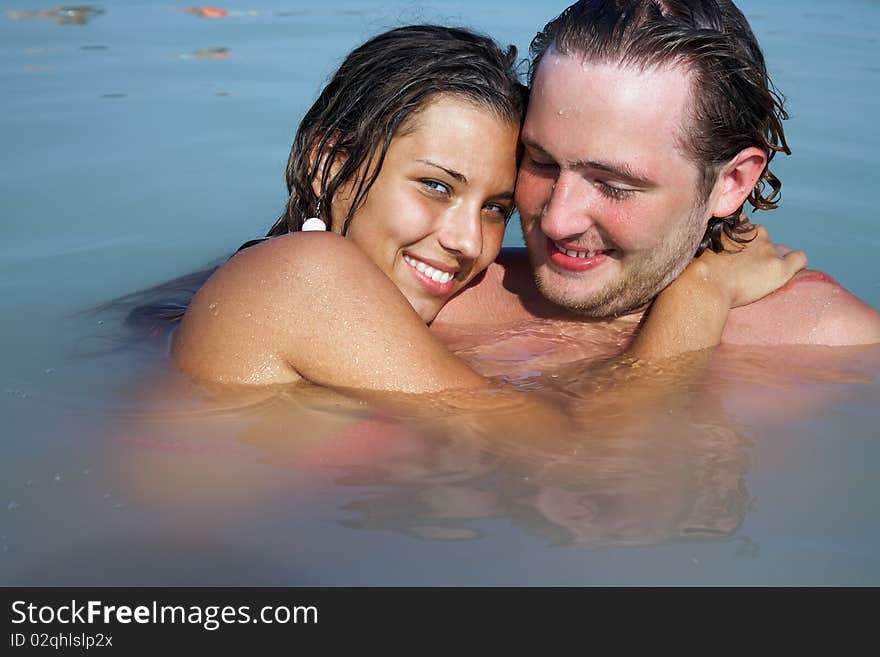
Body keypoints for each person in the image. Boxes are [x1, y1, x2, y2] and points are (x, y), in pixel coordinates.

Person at [172, 24, 805, 393]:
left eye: (498, 206)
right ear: (328, 163)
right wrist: (703, 288)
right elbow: (584, 464)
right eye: (436, 186)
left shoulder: (266, 283)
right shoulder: (302, 277)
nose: (467, 241)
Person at [434, 0, 880, 348]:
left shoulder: (834, 343)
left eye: (614, 184)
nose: (556, 221)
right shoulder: (436, 297)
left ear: (733, 182)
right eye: (542, 162)